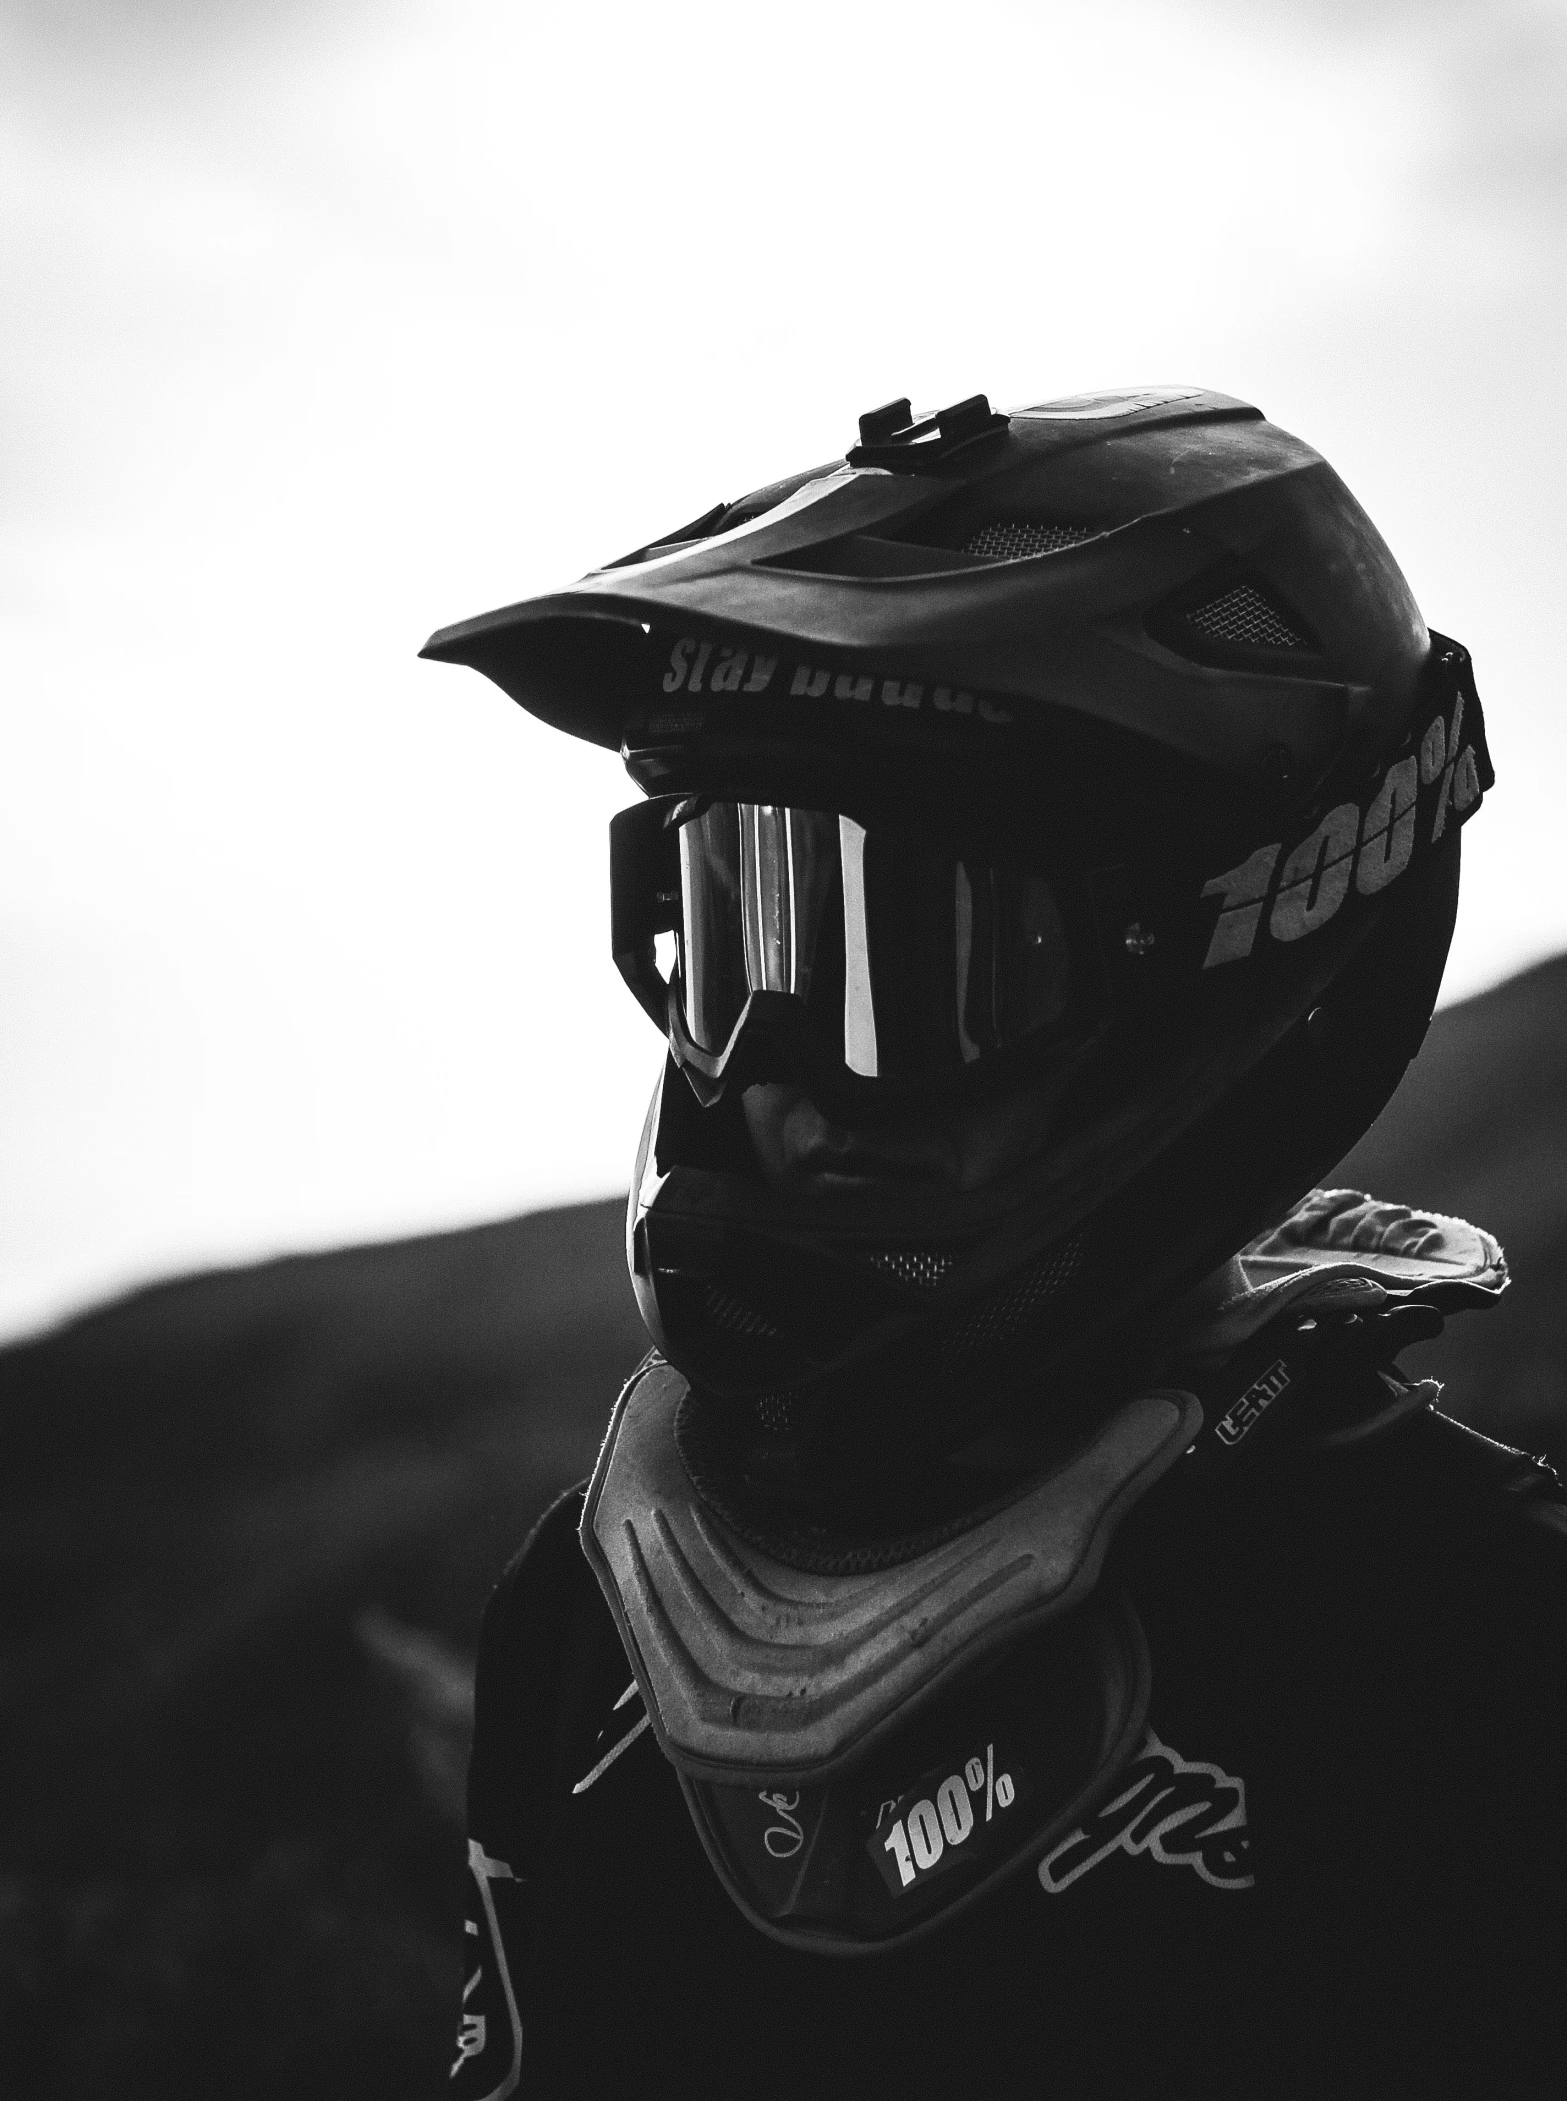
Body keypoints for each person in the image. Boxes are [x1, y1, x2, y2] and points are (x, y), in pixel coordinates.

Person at [423, 387, 1564, 2098]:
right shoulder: (584, 1614)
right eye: (734, 930)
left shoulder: (1466, 1653)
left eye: (898, 965)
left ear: (1225, 960)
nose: (774, 1085)